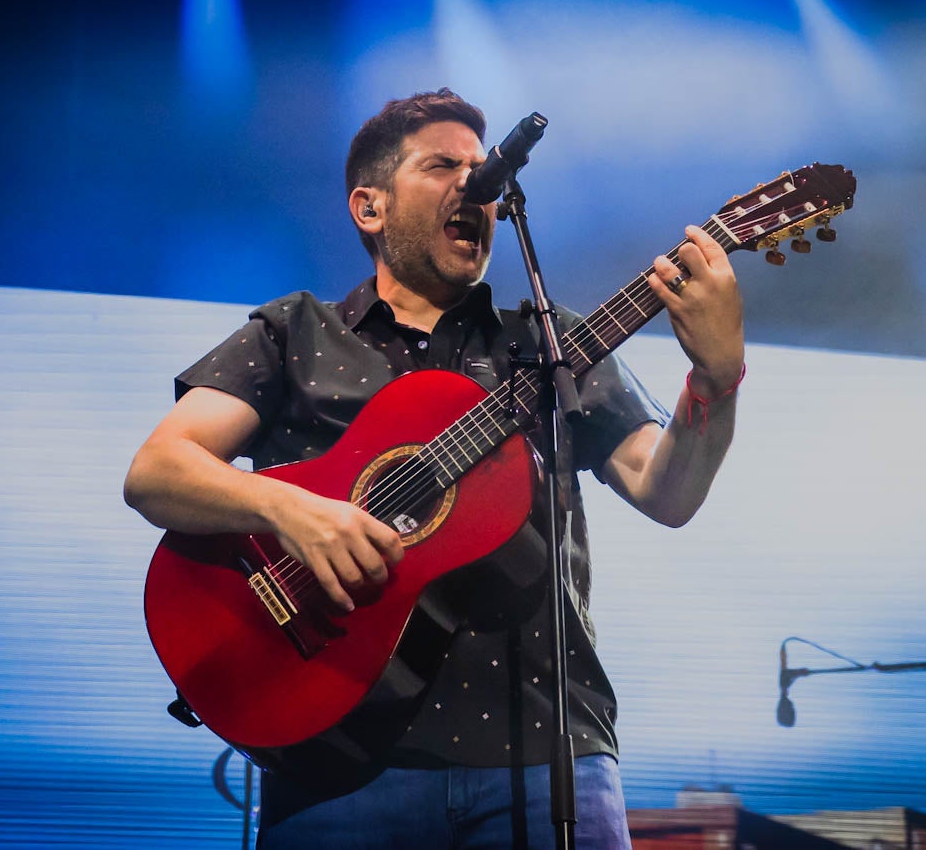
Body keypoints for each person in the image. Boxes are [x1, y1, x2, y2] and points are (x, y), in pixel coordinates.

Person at [124, 88, 745, 848]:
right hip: (333, 758)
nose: (474, 186)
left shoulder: (551, 346)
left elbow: (667, 490)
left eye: (485, 172)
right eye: (443, 165)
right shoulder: (293, 332)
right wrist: (293, 511)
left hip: (548, 753)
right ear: (369, 207)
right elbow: (157, 470)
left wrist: (716, 380)